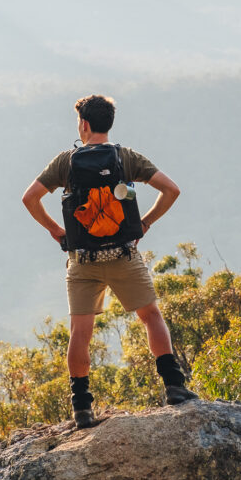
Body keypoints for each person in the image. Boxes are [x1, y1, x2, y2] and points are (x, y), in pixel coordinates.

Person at [21, 94, 198, 429]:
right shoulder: (125, 157)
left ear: (84, 125)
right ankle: (174, 386)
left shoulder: (66, 162)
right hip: (123, 255)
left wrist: (56, 230)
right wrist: (145, 223)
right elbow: (171, 190)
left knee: (80, 332)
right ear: (108, 123)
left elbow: (29, 198)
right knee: (150, 316)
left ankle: (82, 408)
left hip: (83, 261)